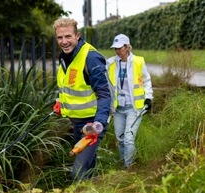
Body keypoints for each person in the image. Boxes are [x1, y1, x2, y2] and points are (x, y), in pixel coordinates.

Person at [52, 18, 111, 181]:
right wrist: (60, 104)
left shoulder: (90, 58)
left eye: (68, 36)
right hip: (77, 123)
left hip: (92, 124)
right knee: (88, 167)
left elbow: (105, 95)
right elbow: (71, 88)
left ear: (77, 36)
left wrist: (97, 124)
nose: (64, 42)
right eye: (60, 38)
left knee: (78, 173)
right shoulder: (65, 57)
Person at [106, 34, 153, 169]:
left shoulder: (138, 62)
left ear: (127, 47)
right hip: (118, 108)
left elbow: (146, 80)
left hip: (133, 107)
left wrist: (148, 98)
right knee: (120, 139)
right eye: (115, 49)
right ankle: (123, 163)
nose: (117, 51)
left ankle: (129, 168)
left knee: (128, 138)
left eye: (120, 48)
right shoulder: (110, 63)